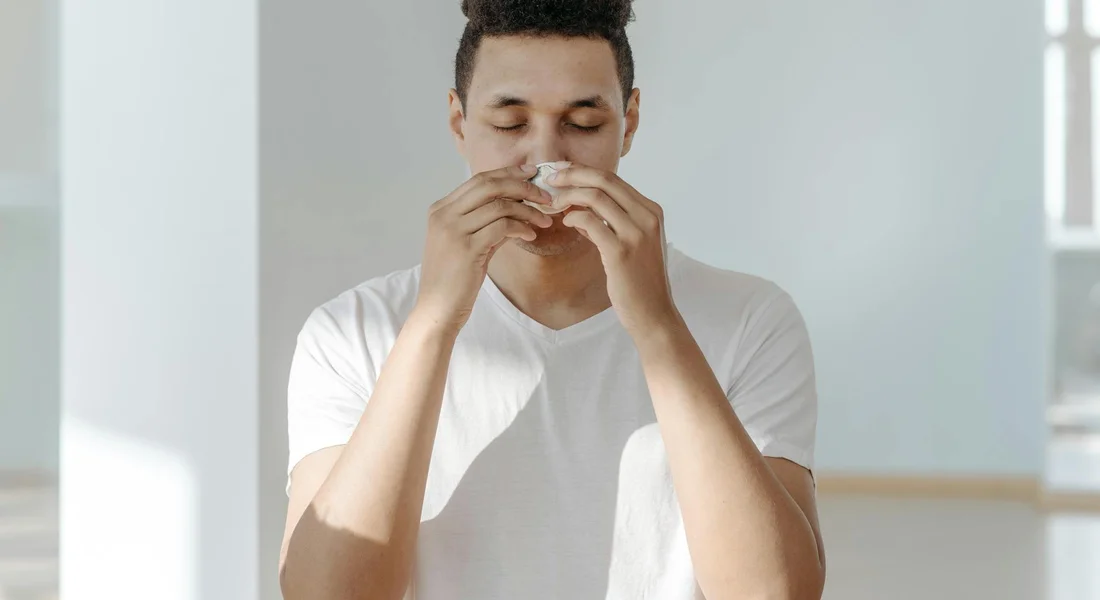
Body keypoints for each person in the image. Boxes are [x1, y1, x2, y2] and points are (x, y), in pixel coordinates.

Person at [279, 0, 826, 598]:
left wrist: (657, 326)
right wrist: (433, 324)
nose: (547, 160)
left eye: (584, 124)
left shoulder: (750, 320)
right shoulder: (353, 331)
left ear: (630, 120)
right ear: (459, 122)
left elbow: (776, 593)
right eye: (510, 124)